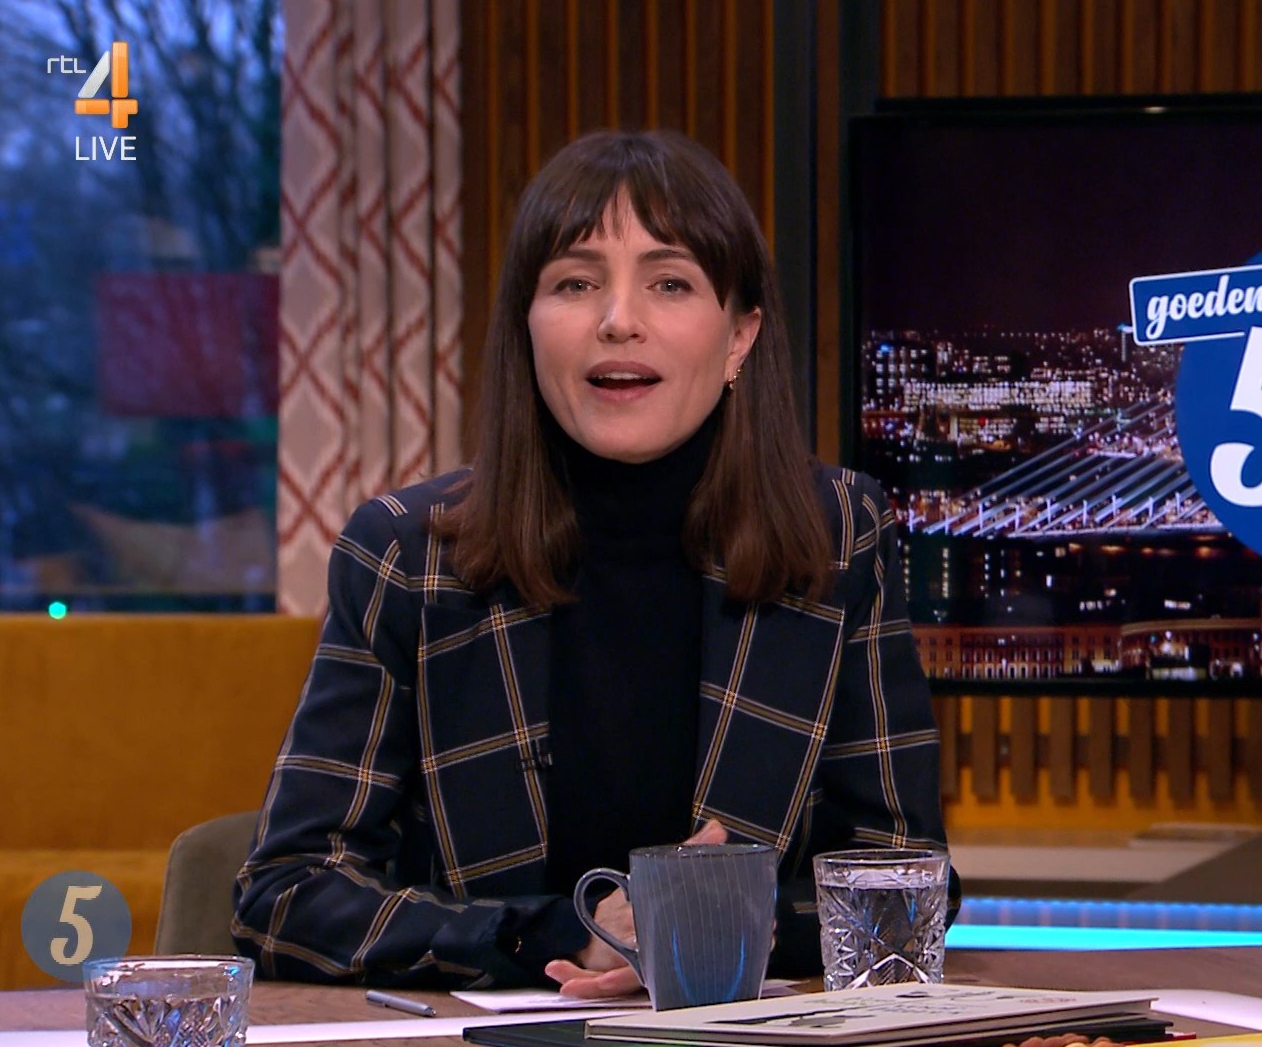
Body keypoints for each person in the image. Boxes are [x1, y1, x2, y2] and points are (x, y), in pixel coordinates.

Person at [233, 130, 953, 992]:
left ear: (739, 336)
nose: (618, 320)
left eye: (669, 283)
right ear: (528, 328)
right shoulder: (407, 556)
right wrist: (562, 935)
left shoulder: (837, 533)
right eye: (575, 284)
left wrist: (713, 920)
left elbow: (907, 877)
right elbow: (285, 894)